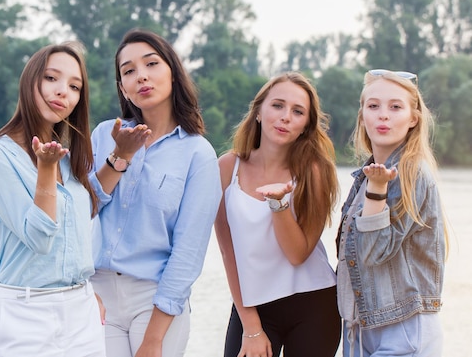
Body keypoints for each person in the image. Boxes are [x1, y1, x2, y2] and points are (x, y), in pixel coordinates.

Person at [88, 28, 222, 357]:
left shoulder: (198, 154)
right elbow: (83, 210)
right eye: (129, 71)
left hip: (154, 301)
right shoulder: (106, 134)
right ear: (122, 87)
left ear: (173, 73)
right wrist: (120, 156)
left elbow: (188, 254)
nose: (141, 77)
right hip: (97, 296)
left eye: (151, 64)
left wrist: (154, 339)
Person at [0, 43, 106, 357]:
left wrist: (86, 293)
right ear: (30, 81)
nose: (63, 92)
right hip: (26, 311)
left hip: (81, 309)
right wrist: (45, 170)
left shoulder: (66, 159)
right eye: (51, 78)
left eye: (75, 87)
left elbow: (81, 220)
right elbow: (39, 237)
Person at [215, 72, 341, 357]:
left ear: (305, 126)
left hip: (313, 303)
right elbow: (228, 251)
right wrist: (251, 327)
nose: (285, 117)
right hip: (253, 304)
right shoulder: (226, 168)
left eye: (298, 112)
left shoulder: (315, 171)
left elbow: (298, 254)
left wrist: (278, 203)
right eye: (277, 106)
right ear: (259, 111)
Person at [336, 69, 447, 357]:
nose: (383, 115)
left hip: (403, 329)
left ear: (413, 118)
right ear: (362, 115)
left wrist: (377, 188)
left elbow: (373, 252)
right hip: (359, 329)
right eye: (373, 106)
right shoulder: (365, 176)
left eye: (395, 107)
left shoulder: (411, 174)